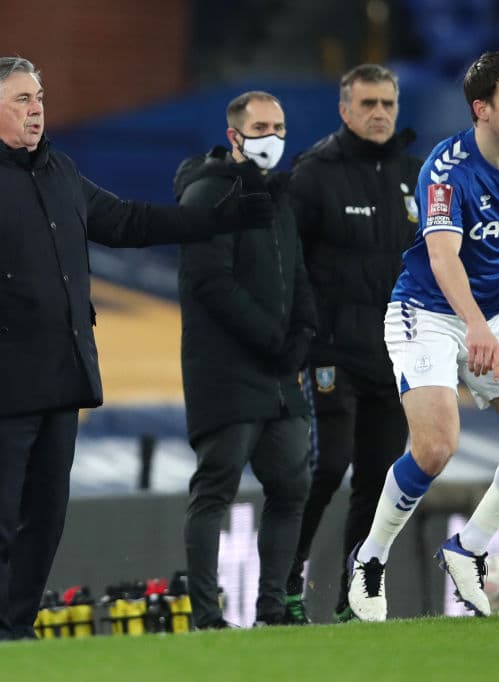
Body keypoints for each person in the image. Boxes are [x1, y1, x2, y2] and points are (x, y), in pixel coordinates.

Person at [0, 57, 274, 641]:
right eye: (23, 99)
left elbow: (127, 221)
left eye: (39, 97)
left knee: (46, 516)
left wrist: (215, 219)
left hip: (62, 371)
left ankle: (16, 626)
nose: (36, 108)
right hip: (0, 378)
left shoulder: (59, 170)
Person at [346, 51, 499, 621]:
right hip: (427, 312)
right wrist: (475, 326)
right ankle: (370, 559)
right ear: (481, 108)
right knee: (436, 445)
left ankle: (467, 548)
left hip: (492, 313)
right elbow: (444, 260)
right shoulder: (445, 171)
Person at [284, 64, 420, 623]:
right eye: (368, 103)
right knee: (327, 464)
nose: (380, 112)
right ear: (345, 111)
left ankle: (353, 597)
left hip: (396, 353)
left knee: (379, 481)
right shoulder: (313, 175)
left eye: (387, 102)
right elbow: (287, 263)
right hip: (332, 351)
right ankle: (285, 580)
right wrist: (301, 342)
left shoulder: (415, 174)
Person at [174, 91, 316, 628]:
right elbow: (208, 282)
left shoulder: (280, 197)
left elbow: (298, 274)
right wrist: (272, 339)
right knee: (216, 489)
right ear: (235, 135)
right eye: (261, 127)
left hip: (280, 377)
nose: (273, 137)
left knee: (292, 488)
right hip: (226, 375)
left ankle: (272, 610)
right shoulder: (207, 195)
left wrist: (302, 333)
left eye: (279, 127)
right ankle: (208, 618)